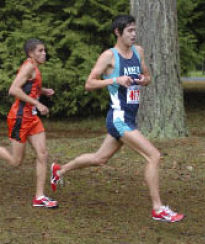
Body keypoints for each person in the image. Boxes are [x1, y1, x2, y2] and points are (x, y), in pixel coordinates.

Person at [50, 15, 184, 222]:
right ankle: (158, 208)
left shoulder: (138, 52)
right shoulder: (108, 56)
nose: (134, 34)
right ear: (117, 32)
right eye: (129, 30)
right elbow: (89, 83)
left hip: (129, 117)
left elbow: (148, 78)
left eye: (135, 30)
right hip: (119, 118)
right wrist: (115, 79)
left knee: (99, 159)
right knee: (154, 156)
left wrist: (142, 80)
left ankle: (60, 170)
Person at [0, 38, 58, 208]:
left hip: (32, 118)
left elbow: (29, 86)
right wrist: (38, 103)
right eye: (40, 51)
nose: (44, 53)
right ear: (31, 53)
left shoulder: (35, 68)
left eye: (44, 50)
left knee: (42, 154)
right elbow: (14, 89)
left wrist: (43, 91)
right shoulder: (28, 67)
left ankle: (39, 197)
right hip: (19, 118)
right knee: (15, 161)